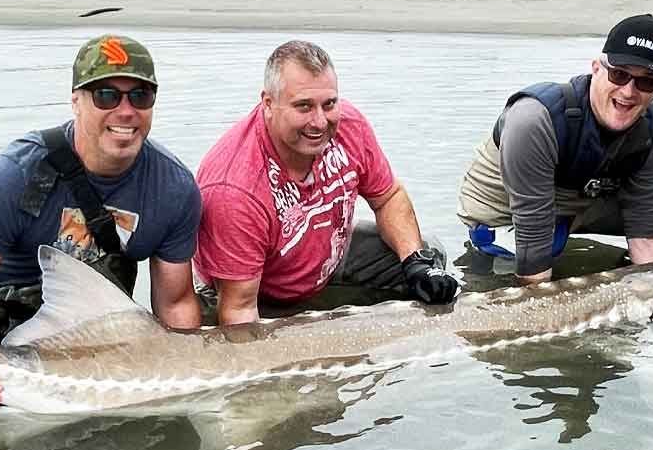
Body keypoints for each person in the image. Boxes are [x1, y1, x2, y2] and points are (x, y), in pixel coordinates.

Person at [0, 34, 202, 428]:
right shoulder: (14, 176)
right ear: (75, 101)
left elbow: (175, 304)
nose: (126, 111)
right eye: (106, 95)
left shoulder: (174, 189)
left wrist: (191, 389)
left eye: (140, 96)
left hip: (94, 322)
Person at [194, 39, 458, 325]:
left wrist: (415, 261)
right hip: (253, 293)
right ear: (268, 104)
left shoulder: (349, 125)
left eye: (329, 104)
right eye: (304, 106)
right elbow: (239, 312)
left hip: (327, 256)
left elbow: (388, 197)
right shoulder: (234, 189)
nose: (320, 122)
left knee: (429, 254)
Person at [457, 14, 653, 285]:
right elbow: (533, 231)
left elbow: (648, 235)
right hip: (507, 211)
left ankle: (624, 292)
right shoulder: (535, 119)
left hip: (577, 203)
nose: (629, 91)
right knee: (513, 283)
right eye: (619, 74)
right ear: (596, 68)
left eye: (646, 82)